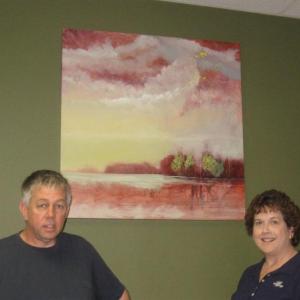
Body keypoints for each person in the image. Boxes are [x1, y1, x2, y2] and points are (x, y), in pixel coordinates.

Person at [0, 169, 130, 300]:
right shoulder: (4, 255)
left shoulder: (81, 250)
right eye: (42, 205)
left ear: (66, 212)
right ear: (24, 210)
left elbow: (121, 296)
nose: (51, 214)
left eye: (59, 206)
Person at [231, 189, 300, 300]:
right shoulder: (249, 274)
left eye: (274, 222)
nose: (265, 230)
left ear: (291, 230)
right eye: (259, 222)